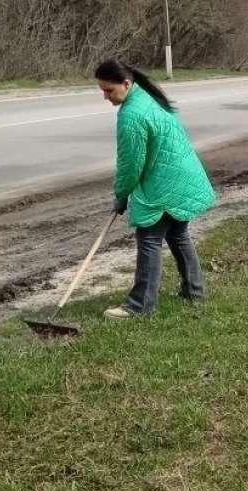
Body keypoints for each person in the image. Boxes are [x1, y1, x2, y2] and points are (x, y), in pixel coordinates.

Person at [95, 60, 215, 319]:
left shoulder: (132, 115)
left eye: (109, 91)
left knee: (149, 239)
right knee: (178, 235)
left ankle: (140, 306)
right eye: (102, 91)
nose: (105, 97)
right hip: (182, 176)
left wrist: (121, 194)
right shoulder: (149, 99)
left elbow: (130, 165)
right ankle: (194, 291)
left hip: (164, 183)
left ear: (126, 84)